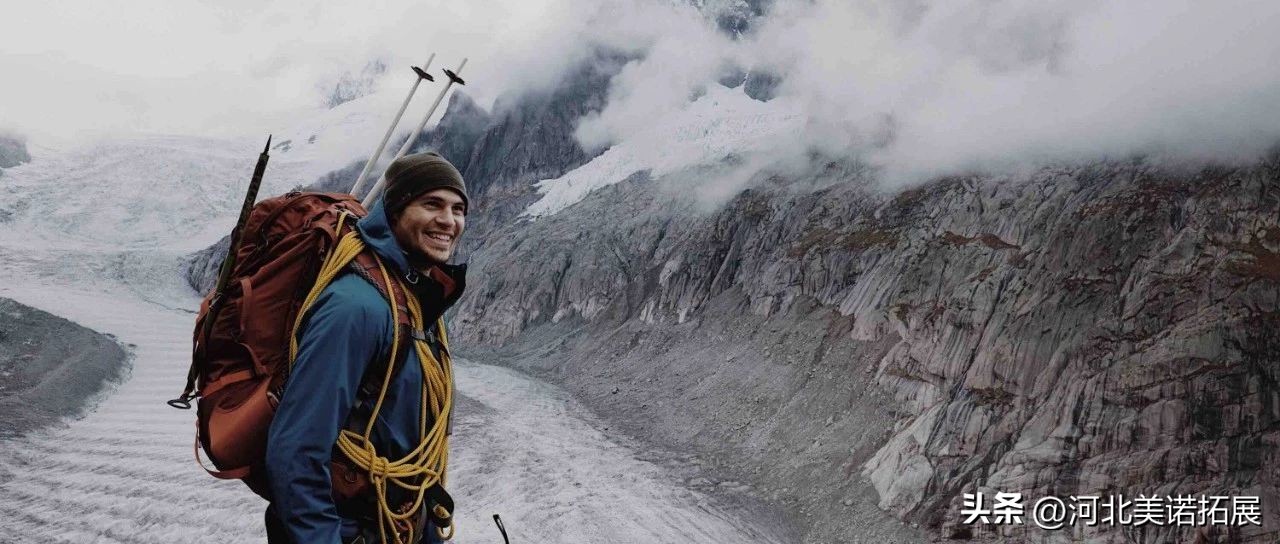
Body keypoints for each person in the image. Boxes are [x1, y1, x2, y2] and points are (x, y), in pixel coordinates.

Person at [264, 152, 469, 544]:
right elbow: (296, 451)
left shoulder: (419, 304)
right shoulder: (356, 307)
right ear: (395, 211)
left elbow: (415, 456)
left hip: (398, 527)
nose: (448, 220)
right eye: (432, 204)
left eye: (457, 209)